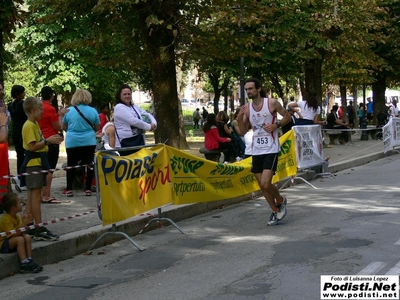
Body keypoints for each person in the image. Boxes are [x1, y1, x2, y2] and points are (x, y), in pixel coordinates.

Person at [237, 77, 292, 226]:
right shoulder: (247, 108)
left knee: (266, 183)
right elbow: (242, 132)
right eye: (246, 89)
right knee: (262, 186)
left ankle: (280, 200)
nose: (248, 91)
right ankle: (275, 210)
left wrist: (276, 125)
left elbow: (288, 116)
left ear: (258, 89)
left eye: (250, 88)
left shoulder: (271, 103)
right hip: (256, 150)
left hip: (271, 148)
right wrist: (239, 118)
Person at [21, 97, 63, 241]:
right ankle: (38, 227)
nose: (42, 112)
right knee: (35, 197)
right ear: (33, 110)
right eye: (40, 109)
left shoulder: (35, 124)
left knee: (33, 195)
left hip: (38, 162)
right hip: (33, 163)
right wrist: (47, 141)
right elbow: (32, 146)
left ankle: (30, 226)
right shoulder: (29, 126)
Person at [62, 89, 100, 197]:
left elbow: (64, 127)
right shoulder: (93, 111)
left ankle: (69, 188)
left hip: (72, 141)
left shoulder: (69, 111)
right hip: (89, 141)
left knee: (71, 164)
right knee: (89, 164)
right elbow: (97, 127)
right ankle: (87, 188)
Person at [0, 193, 43, 273]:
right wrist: (24, 223)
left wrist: (24, 222)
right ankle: (24, 264)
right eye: (20, 202)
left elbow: (21, 232)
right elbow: (13, 235)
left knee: (27, 237)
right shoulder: (6, 219)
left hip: (13, 241)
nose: (22, 204)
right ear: (13, 208)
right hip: (3, 244)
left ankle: (29, 260)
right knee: (19, 239)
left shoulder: (18, 217)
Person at [37, 86, 67, 204]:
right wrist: (61, 115)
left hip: (41, 138)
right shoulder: (49, 108)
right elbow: (58, 126)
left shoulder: (38, 106)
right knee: (50, 169)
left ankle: (40, 193)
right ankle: (47, 195)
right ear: (51, 95)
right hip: (51, 139)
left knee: (41, 168)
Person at [114, 84, 157, 155]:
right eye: (124, 94)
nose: (127, 96)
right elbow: (133, 121)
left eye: (129, 94)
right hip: (126, 143)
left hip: (139, 140)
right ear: (120, 95)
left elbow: (147, 114)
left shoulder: (134, 106)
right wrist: (149, 127)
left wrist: (154, 124)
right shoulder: (119, 107)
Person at [8, 85, 27, 192]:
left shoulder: (11, 105)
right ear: (19, 94)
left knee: (20, 155)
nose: (24, 94)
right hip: (23, 132)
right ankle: (22, 178)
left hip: (15, 132)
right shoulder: (23, 104)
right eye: (23, 92)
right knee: (27, 156)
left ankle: (20, 176)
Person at [0, 83, 11, 209]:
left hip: (3, 146)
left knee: (3, 177)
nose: (2, 92)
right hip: (1, 142)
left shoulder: (3, 105)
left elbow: (8, 119)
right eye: (0, 90)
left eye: (2, 89)